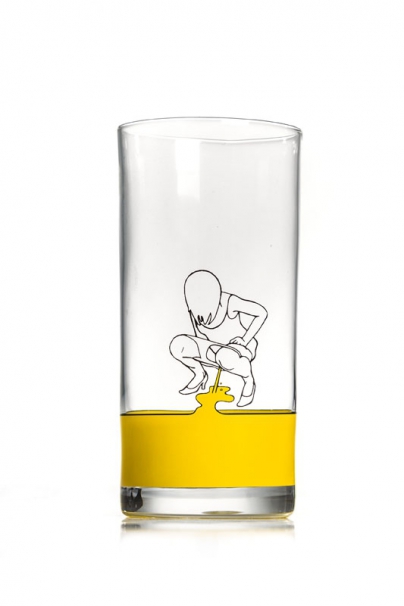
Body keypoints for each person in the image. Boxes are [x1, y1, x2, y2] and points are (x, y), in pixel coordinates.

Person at [169, 270, 268, 407]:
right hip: (213, 349)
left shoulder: (230, 302)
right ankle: (199, 374)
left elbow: (261, 313)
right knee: (178, 345)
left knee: (224, 355)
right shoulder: (194, 310)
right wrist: (202, 354)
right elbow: (200, 337)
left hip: (239, 348)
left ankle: (248, 381)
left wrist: (245, 339)